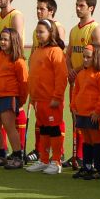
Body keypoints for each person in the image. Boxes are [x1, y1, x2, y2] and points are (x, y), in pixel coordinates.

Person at [0, 0, 27, 156]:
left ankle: (18, 153)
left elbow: (16, 41)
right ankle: (0, 152)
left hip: (9, 84)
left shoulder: (16, 16)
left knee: (10, 122)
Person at [25, 19, 68, 175]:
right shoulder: (37, 51)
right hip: (39, 99)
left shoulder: (56, 51)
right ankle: (43, 159)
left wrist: (57, 97)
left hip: (51, 100)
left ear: (51, 33)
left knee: (54, 129)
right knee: (43, 129)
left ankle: (56, 161)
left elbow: (62, 77)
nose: (38, 34)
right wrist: (32, 96)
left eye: (41, 32)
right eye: (37, 32)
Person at [0, 28, 29, 170]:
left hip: (9, 97)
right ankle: (1, 156)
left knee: (9, 127)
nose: (2, 42)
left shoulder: (19, 61)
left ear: (13, 41)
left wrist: (20, 101)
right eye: (1, 39)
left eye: (5, 39)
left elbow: (24, 83)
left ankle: (17, 157)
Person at [67, 0, 100, 168]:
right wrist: (70, 71)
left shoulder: (95, 29)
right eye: (76, 5)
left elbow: (98, 57)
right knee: (76, 118)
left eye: (81, 5)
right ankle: (77, 156)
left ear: (91, 8)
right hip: (75, 81)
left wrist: (78, 70)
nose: (78, 8)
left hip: (88, 83)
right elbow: (68, 55)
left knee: (91, 124)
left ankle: (88, 159)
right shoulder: (74, 30)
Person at [70, 44, 100, 179]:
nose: (85, 60)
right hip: (82, 113)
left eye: (88, 57)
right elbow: (76, 92)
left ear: (96, 57)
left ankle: (99, 168)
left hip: (95, 115)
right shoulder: (81, 74)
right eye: (84, 57)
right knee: (87, 141)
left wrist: (98, 112)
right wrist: (73, 106)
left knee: (97, 141)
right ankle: (87, 166)